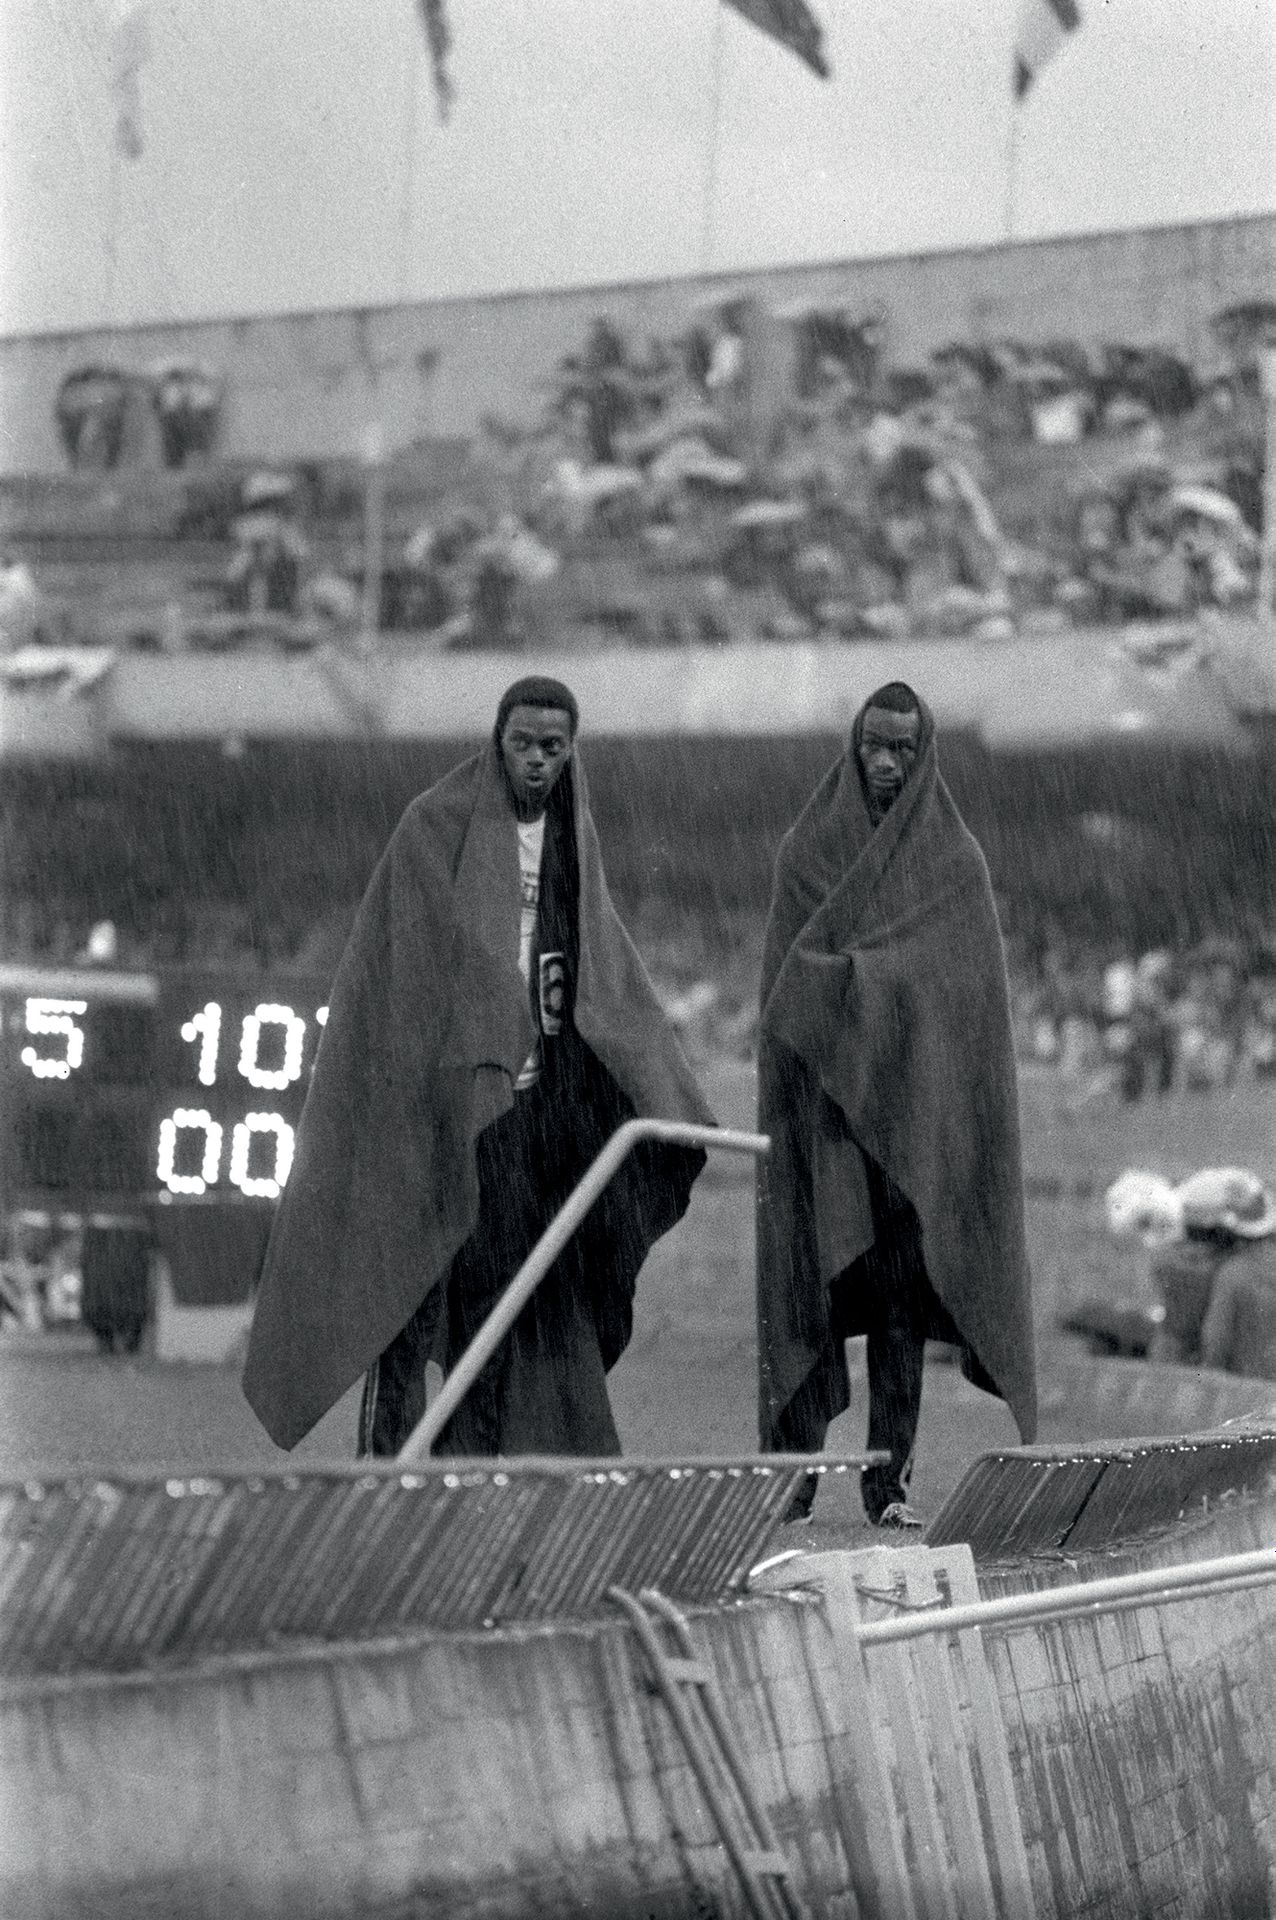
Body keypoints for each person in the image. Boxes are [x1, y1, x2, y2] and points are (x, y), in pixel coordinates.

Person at [243, 675, 713, 1457]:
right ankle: (384, 1455)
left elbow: (602, 970)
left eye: (553, 747)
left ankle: (476, 1454)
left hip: (523, 1121)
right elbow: (401, 970)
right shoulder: (435, 825)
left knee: (505, 1295)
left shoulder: (572, 838)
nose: (536, 761)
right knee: (409, 1286)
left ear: (572, 751)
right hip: (436, 1105)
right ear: (497, 740)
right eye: (523, 743)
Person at [756, 681, 1037, 1528]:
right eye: (873, 745)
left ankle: (890, 1482)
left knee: (901, 1315)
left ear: (925, 754)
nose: (885, 762)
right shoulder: (811, 850)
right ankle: (794, 1472)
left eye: (902, 749)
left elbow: (961, 1004)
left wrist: (869, 988)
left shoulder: (954, 865)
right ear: (854, 746)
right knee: (813, 1287)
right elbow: (786, 995)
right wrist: (872, 990)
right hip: (827, 1124)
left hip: (913, 1127)